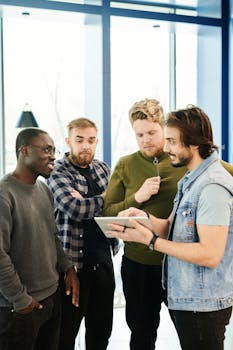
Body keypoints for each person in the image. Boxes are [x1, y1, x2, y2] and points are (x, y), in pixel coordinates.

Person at [107, 105, 233, 350]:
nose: (166, 147)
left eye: (172, 141)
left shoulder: (212, 187)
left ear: (193, 143)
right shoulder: (189, 179)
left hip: (203, 301)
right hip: (186, 293)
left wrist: (151, 241)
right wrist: (142, 215)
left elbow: (209, 254)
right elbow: (170, 226)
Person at [103, 98, 186, 350]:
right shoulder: (126, 165)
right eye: (139, 134)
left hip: (178, 264)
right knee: (141, 334)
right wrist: (137, 197)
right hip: (138, 266)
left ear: (163, 129)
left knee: (190, 334)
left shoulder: (182, 160)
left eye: (151, 132)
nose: (146, 139)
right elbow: (109, 213)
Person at [0, 127, 79, 350]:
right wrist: (20, 299)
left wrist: (68, 268)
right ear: (24, 151)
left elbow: (52, 236)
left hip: (51, 299)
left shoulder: (44, 190)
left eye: (53, 149)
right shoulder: (4, 194)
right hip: (20, 308)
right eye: (46, 149)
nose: (53, 155)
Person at [47, 117, 118, 350]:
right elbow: (74, 209)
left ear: (96, 141)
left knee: (101, 332)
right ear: (68, 141)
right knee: (66, 333)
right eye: (79, 140)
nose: (85, 145)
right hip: (73, 267)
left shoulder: (103, 168)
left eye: (90, 140)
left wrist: (91, 201)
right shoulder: (57, 171)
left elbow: (115, 206)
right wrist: (104, 198)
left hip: (103, 261)